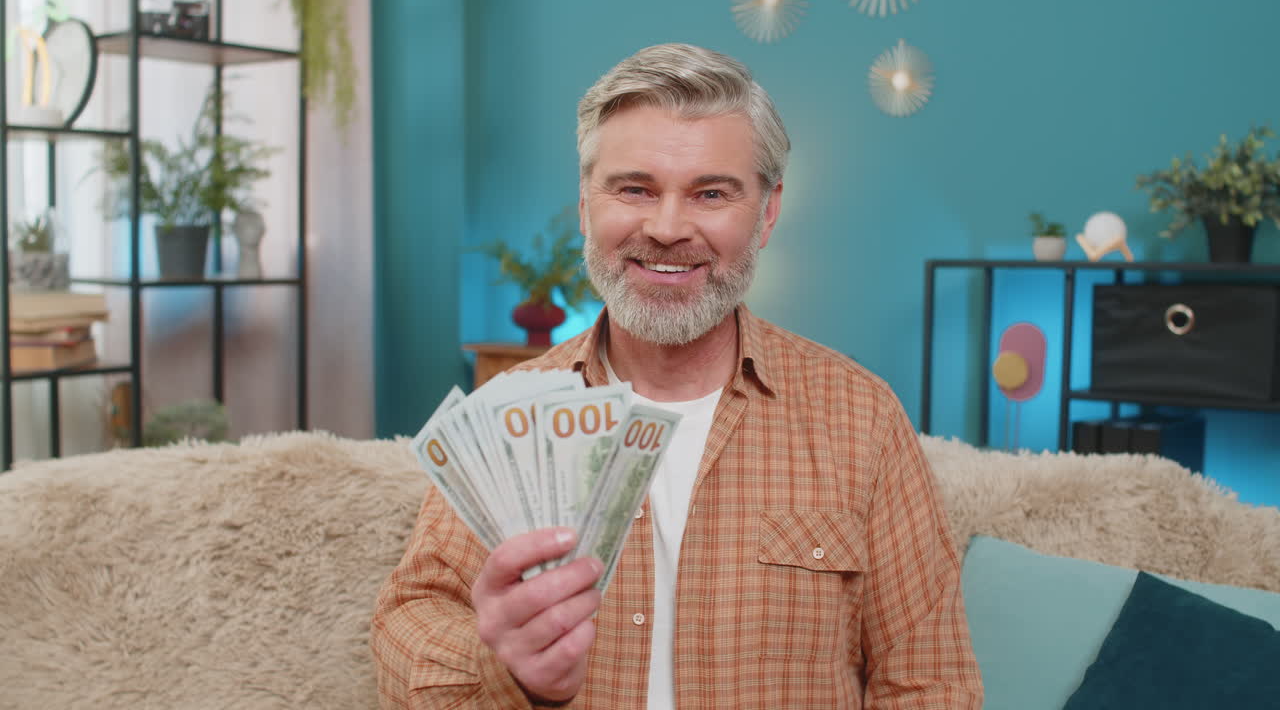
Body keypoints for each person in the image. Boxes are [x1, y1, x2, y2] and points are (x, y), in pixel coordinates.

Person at [371, 42, 983, 709]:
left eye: (710, 193)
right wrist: (502, 667)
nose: (666, 228)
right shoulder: (510, 413)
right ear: (586, 205)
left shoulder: (862, 418)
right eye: (634, 189)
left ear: (767, 212)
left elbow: (930, 681)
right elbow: (409, 619)